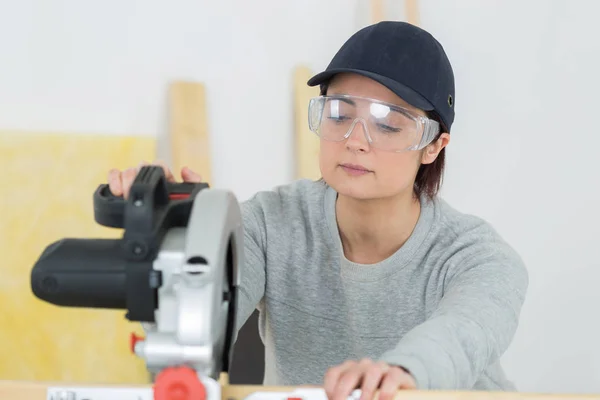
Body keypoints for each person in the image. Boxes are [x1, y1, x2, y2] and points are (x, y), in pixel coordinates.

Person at [107, 21, 528, 400]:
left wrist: (398, 374)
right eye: (340, 113)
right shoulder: (270, 224)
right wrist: (172, 236)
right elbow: (194, 327)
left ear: (434, 146)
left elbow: (463, 335)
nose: (355, 140)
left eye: (388, 123)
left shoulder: (477, 258)